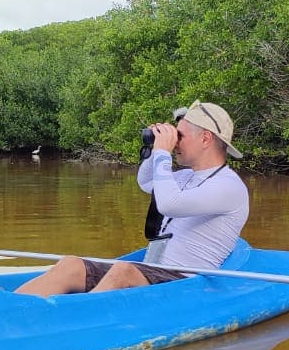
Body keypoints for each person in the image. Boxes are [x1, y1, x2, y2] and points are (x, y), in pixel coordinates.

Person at [16, 101, 248, 296]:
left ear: (206, 138)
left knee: (122, 272)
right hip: (153, 270)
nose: (175, 142)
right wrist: (153, 148)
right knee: (72, 264)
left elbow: (169, 204)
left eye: (180, 136)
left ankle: (71, 322)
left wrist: (162, 153)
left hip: (185, 283)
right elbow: (146, 182)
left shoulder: (229, 186)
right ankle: (9, 307)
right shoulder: (187, 176)